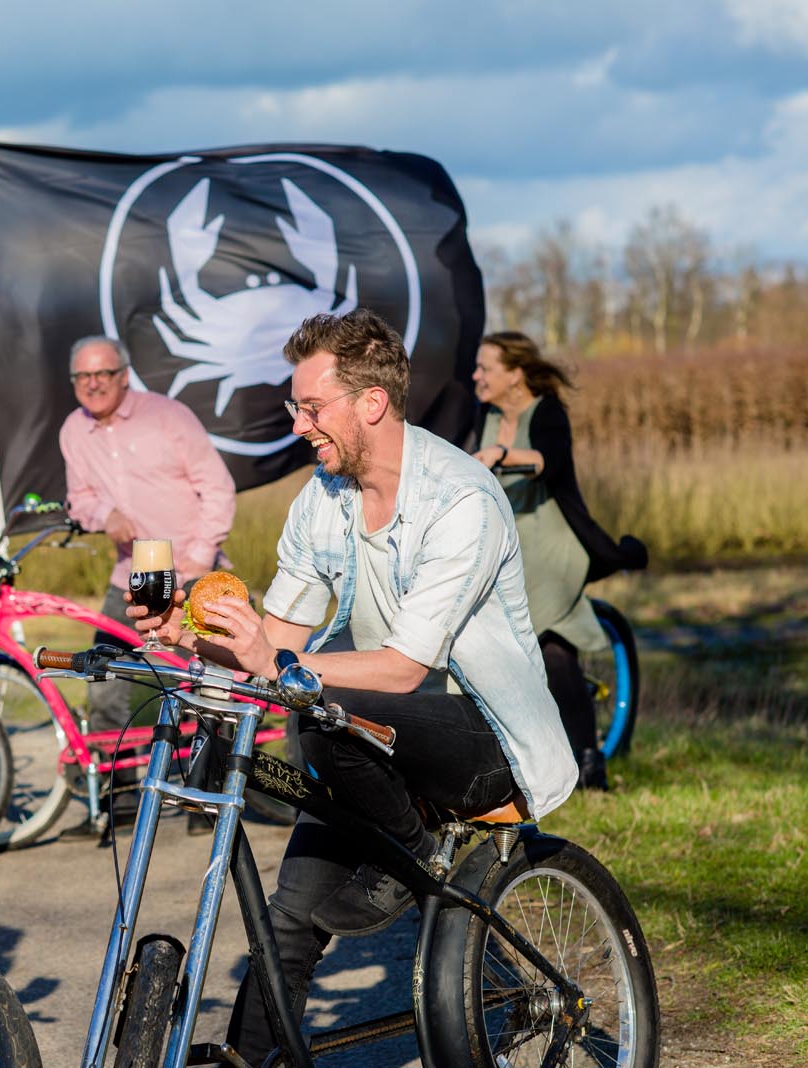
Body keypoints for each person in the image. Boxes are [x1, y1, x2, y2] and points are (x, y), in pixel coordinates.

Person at [133, 308, 577, 1065]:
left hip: (481, 728)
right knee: (290, 918)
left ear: (370, 403)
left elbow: (404, 668)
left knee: (318, 711)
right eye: (295, 408)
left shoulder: (460, 499)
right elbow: (278, 642)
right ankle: (253, 1059)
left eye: (311, 407)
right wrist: (191, 636)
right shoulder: (324, 497)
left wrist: (277, 668)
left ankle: (407, 855)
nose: (299, 424)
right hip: (369, 739)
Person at [471, 331, 648, 791]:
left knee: (550, 642)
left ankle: (591, 764)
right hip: (507, 544)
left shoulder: (546, 411)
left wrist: (502, 456)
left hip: (552, 542)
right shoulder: (485, 412)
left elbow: (551, 462)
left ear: (514, 374)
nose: (476, 376)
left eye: (485, 368)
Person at [58, 335, 235, 757]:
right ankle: (117, 806)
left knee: (210, 687)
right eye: (82, 375)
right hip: (131, 578)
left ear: (123, 375)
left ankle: (210, 798)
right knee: (102, 678)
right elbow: (79, 500)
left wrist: (196, 558)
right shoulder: (73, 430)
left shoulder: (168, 416)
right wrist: (106, 516)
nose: (93, 383)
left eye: (102, 373)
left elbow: (218, 488)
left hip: (195, 571)